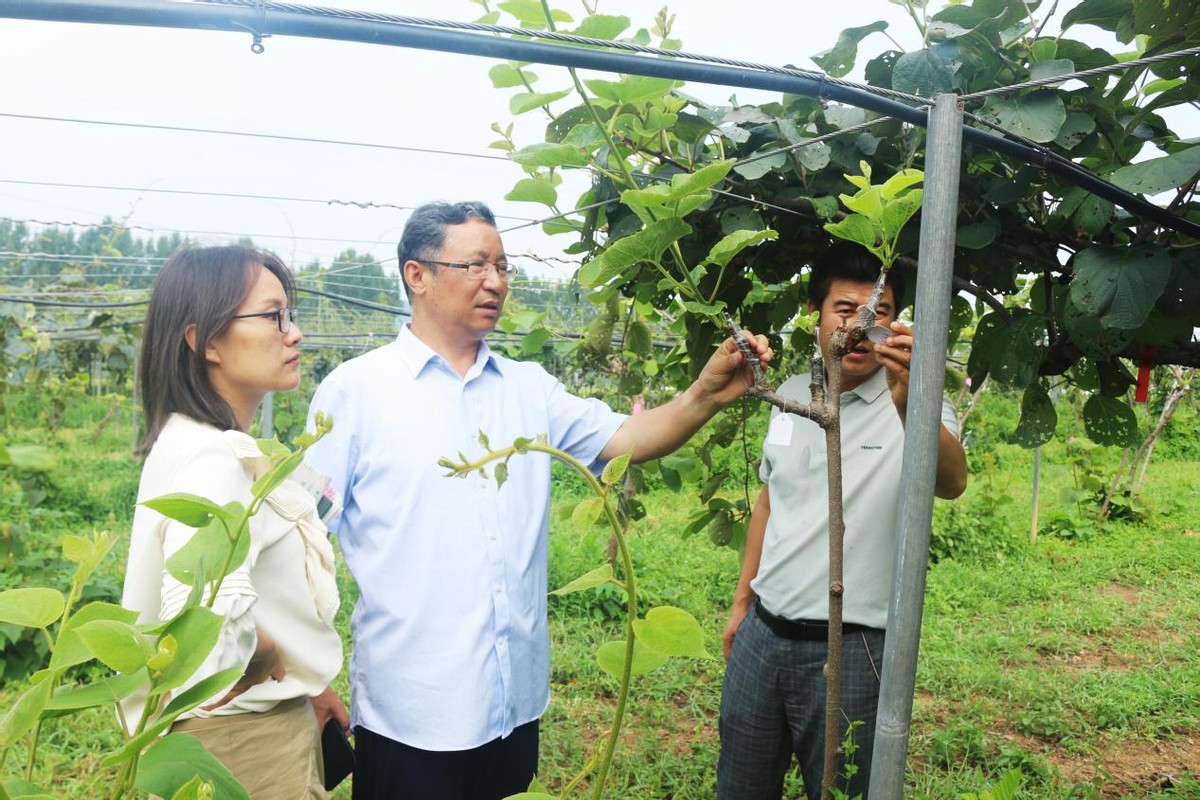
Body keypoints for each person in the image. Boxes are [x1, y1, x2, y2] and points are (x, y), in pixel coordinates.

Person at [304, 200, 772, 800]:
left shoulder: (528, 389)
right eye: (476, 265)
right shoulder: (355, 392)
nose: (495, 282)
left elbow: (627, 438)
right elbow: (300, 533)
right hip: (409, 715)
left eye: (502, 266)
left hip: (512, 705)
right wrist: (306, 675)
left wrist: (705, 395)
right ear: (416, 275)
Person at [716, 243, 968, 800]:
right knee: (740, 784)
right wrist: (741, 605)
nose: (861, 325)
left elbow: (951, 482)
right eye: (845, 309)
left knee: (843, 790)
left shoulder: (917, 400)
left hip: (854, 648)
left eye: (878, 313)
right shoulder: (788, 397)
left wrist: (910, 402)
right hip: (763, 635)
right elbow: (769, 501)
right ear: (816, 316)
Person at [122, 245, 349, 799]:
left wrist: (304, 682)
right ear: (206, 341)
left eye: (288, 316)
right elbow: (207, 612)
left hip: (236, 729)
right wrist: (266, 655)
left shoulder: (202, 443)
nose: (292, 333)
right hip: (242, 740)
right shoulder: (213, 459)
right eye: (273, 316)